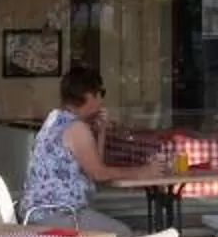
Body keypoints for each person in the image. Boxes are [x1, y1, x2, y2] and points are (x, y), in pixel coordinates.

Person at [22, 64, 139, 223]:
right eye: (101, 93)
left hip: (39, 213)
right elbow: (99, 174)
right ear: (88, 96)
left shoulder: (55, 118)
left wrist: (101, 131)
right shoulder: (76, 128)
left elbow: (93, 166)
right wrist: (143, 171)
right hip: (59, 214)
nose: (102, 100)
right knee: (123, 235)